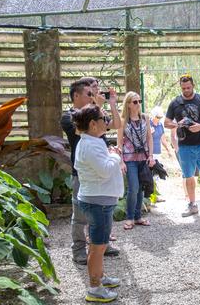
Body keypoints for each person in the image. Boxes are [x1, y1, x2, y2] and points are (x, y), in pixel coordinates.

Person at [60, 79, 121, 265]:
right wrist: (98, 106)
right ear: (76, 95)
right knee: (79, 215)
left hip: (102, 169)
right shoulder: (69, 116)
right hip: (83, 175)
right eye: (89, 94)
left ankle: (102, 243)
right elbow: (81, 131)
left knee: (104, 211)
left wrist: (111, 104)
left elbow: (117, 125)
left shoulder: (95, 113)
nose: (93, 97)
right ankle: (78, 250)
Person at [72, 104, 123, 302]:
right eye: (104, 118)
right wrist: (116, 155)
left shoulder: (92, 141)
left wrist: (110, 154)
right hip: (98, 202)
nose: (107, 121)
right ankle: (94, 288)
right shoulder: (90, 145)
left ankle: (100, 276)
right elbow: (104, 169)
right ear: (93, 124)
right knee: (98, 246)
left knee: (100, 244)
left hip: (99, 200)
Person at [164, 74, 200, 217]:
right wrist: (177, 124)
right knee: (188, 176)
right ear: (181, 87)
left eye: (188, 87)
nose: (186, 90)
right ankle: (192, 204)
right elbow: (166, 122)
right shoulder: (175, 103)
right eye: (183, 88)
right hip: (184, 145)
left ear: (193, 85)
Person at [117, 92, 155, 230]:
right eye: (135, 102)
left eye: (139, 101)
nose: (138, 104)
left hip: (143, 158)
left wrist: (151, 156)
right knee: (133, 188)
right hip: (129, 158)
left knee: (140, 189)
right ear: (128, 104)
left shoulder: (145, 118)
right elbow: (119, 142)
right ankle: (129, 217)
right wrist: (120, 161)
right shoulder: (123, 121)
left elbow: (149, 138)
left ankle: (138, 217)